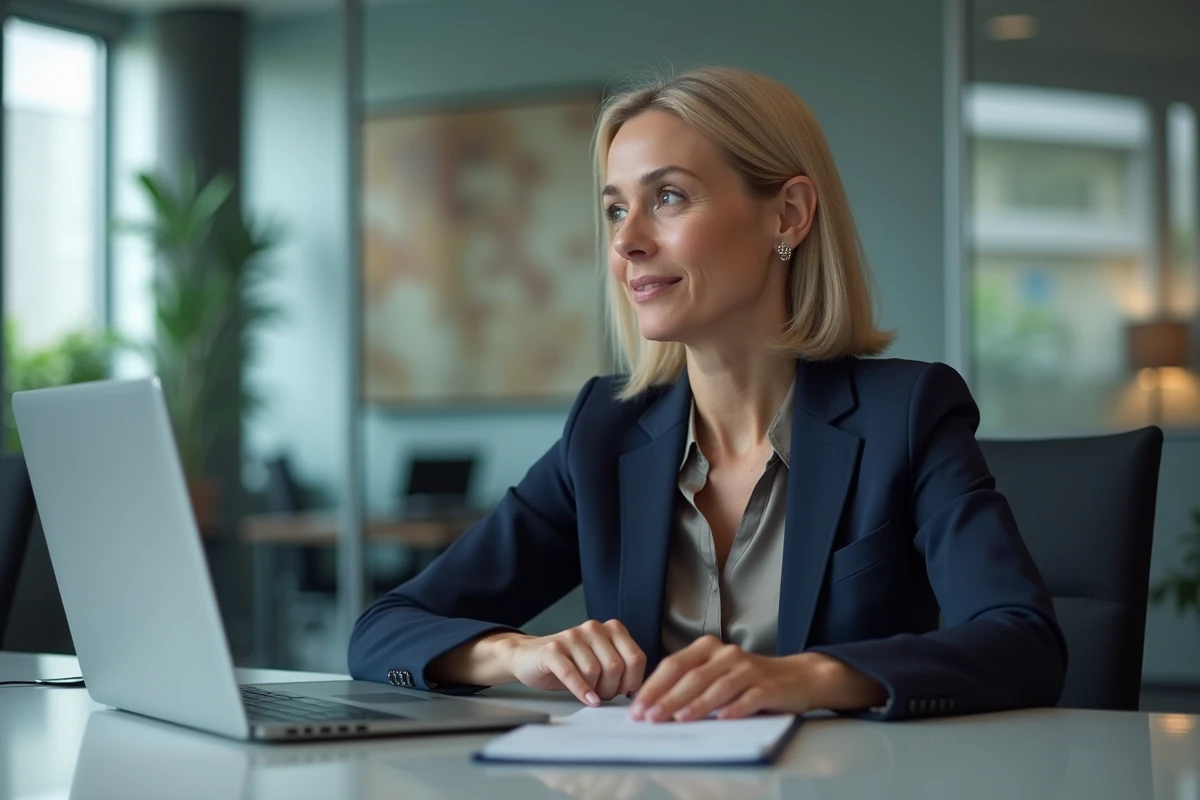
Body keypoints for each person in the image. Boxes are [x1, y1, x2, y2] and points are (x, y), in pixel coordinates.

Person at [348, 66, 1066, 722]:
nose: (627, 241)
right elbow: (385, 628)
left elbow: (1022, 641)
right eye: (613, 209)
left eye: (667, 198)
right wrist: (517, 654)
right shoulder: (603, 431)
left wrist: (808, 678)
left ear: (787, 215)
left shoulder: (906, 414)